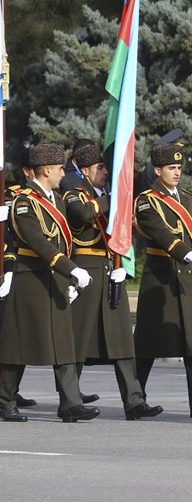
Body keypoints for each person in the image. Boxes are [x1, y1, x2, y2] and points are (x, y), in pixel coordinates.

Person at [0, 143, 99, 422]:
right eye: (59, 169)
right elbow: (39, 243)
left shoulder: (55, 198)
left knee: (63, 339)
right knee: (20, 341)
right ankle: (4, 399)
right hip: (31, 278)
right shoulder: (23, 202)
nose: (62, 174)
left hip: (54, 277)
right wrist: (72, 270)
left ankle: (70, 403)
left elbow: (64, 240)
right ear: (45, 170)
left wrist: (69, 275)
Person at [63, 143, 163, 420]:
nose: (106, 172)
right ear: (84, 171)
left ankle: (134, 401)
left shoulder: (107, 197)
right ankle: (70, 402)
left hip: (110, 268)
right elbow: (83, 215)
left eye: (107, 167)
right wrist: (114, 197)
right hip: (85, 269)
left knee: (121, 339)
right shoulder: (73, 194)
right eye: (100, 168)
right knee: (78, 340)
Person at [133, 142, 192, 419]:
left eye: (179, 168)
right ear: (157, 170)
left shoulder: (188, 199)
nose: (176, 173)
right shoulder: (147, 200)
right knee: (147, 343)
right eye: (171, 168)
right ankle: (135, 400)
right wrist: (189, 257)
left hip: (186, 276)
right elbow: (161, 234)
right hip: (159, 276)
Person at [0, 153, 39, 409]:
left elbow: (10, 236)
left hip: (8, 269)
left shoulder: (16, 198)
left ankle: (10, 391)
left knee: (13, 335)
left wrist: (10, 267)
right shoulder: (11, 195)